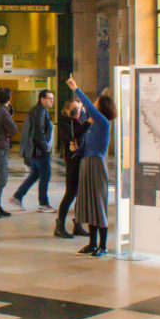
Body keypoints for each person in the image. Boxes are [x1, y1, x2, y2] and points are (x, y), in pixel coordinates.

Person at [67, 75, 117, 257]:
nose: (93, 105)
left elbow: (88, 107)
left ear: (101, 108)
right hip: (86, 164)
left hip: (96, 165)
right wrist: (77, 149)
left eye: (96, 103)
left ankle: (102, 246)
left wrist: (76, 89)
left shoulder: (103, 123)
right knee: (89, 203)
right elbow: (85, 149)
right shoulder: (91, 127)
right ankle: (92, 243)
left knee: (98, 204)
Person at [8, 89, 56, 212]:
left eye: (53, 98)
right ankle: (43, 203)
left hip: (34, 149)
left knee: (35, 174)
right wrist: (45, 147)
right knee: (45, 174)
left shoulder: (39, 111)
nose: (52, 100)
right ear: (42, 99)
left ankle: (17, 196)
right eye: (49, 98)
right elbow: (38, 132)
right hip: (38, 150)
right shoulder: (39, 111)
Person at [55, 99, 90, 238]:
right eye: (74, 109)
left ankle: (78, 224)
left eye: (79, 109)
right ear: (67, 110)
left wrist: (84, 118)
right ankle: (59, 226)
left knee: (80, 194)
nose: (78, 112)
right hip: (72, 162)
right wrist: (82, 121)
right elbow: (74, 136)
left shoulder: (81, 119)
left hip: (82, 159)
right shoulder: (65, 123)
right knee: (70, 193)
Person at [0, 87, 18, 219]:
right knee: (0, 179)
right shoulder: (3, 112)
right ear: (9, 98)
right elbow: (13, 130)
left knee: (0, 177)